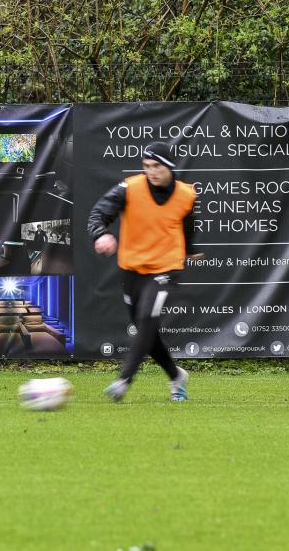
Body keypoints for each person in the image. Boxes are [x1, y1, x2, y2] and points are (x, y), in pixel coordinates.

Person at [87, 142, 202, 402]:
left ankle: (123, 379)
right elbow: (98, 213)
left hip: (166, 268)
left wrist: (190, 248)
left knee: (148, 319)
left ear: (170, 167)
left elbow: (188, 224)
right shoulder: (129, 188)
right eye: (146, 166)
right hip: (132, 270)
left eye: (157, 166)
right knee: (146, 332)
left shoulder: (186, 194)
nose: (151, 171)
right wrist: (101, 234)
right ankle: (176, 376)